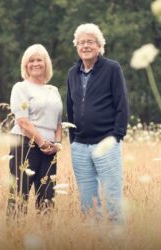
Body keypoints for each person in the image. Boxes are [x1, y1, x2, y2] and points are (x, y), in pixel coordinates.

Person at [66, 23, 129, 223]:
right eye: (82, 42)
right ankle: (94, 240)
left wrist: (117, 135)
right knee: (88, 203)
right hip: (80, 146)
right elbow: (70, 106)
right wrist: (73, 140)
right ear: (76, 46)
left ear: (99, 46)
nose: (86, 46)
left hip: (106, 142)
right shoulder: (72, 73)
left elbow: (122, 103)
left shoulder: (112, 68)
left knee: (112, 198)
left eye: (90, 42)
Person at [7, 44, 63, 216]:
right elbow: (22, 121)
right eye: (31, 61)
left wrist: (56, 145)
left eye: (39, 60)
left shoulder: (53, 90)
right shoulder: (20, 87)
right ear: (26, 65)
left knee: (47, 198)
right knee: (19, 195)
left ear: (46, 63)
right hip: (25, 145)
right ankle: (15, 238)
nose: (36, 63)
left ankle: (44, 239)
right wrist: (41, 142)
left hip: (50, 150)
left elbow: (59, 121)